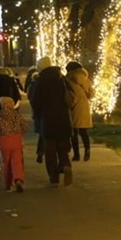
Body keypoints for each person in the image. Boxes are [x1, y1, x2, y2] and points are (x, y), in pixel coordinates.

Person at [29, 57, 75, 186]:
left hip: (47, 120)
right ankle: (65, 165)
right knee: (62, 147)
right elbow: (71, 95)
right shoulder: (61, 78)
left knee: (50, 150)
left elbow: (35, 102)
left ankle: (54, 177)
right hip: (63, 119)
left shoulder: (40, 82)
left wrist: (37, 116)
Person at [0, 95, 28, 192]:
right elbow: (24, 126)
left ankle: (7, 184)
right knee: (17, 162)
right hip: (16, 140)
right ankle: (18, 179)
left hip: (4, 141)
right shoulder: (17, 116)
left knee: (6, 163)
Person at [65, 60, 94, 161]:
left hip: (74, 107)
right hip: (84, 106)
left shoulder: (69, 80)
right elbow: (91, 94)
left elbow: (70, 95)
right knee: (84, 131)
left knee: (73, 133)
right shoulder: (86, 79)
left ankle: (76, 154)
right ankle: (87, 150)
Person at [27, 59, 48, 163]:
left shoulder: (38, 83)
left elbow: (35, 101)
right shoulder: (61, 79)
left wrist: (36, 114)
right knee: (57, 139)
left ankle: (41, 152)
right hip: (58, 115)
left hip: (44, 114)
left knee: (43, 135)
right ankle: (63, 162)